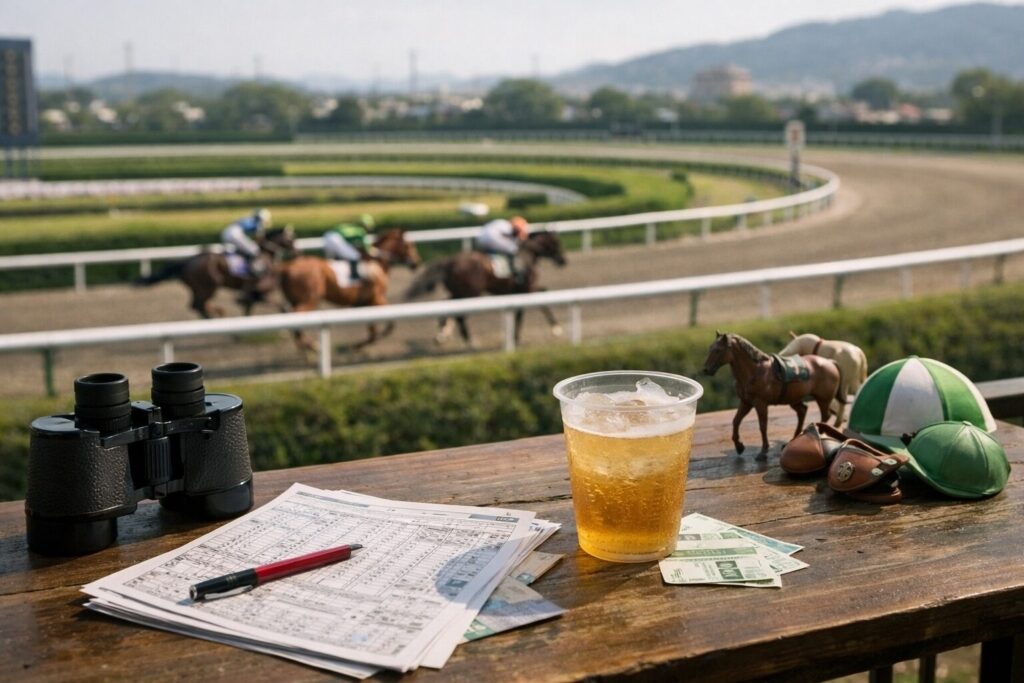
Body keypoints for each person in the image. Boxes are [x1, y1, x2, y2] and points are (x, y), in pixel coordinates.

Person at [476, 216, 529, 286]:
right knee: (513, 249)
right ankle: (516, 275)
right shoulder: (509, 226)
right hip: (492, 237)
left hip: (481, 238)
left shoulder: (501, 221)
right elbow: (516, 235)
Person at [322, 214, 378, 280]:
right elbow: (366, 247)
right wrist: (374, 252)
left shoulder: (353, 227)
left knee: (332, 259)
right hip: (336, 238)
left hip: (327, 235)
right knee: (355, 256)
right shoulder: (361, 231)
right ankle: (354, 277)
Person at [221, 208, 272, 276]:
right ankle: (254, 268)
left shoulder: (249, 219)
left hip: (227, 232)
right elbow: (259, 238)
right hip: (235, 233)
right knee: (254, 249)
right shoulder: (258, 223)